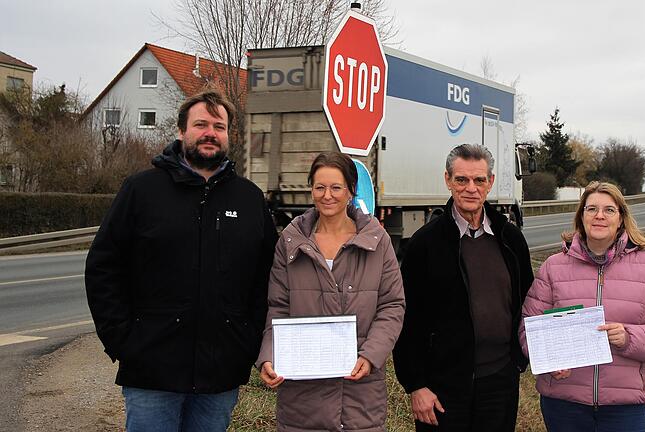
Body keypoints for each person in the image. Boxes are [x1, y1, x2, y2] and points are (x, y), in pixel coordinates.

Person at [85, 89, 278, 432]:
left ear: (229, 136)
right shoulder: (142, 191)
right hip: (151, 369)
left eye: (219, 126)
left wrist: (247, 341)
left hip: (220, 373)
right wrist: (122, 340)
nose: (210, 133)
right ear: (181, 131)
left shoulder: (249, 199)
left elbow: (267, 278)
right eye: (201, 124)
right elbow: (103, 267)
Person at [519, 181, 645, 432]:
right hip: (565, 405)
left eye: (609, 210)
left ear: (621, 219)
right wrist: (547, 360)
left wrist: (629, 336)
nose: (599, 216)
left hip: (627, 407)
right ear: (581, 217)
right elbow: (527, 327)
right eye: (591, 209)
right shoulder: (553, 267)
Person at [257, 151, 405, 432]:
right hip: (302, 401)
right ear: (311, 188)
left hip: (360, 394)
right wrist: (269, 355)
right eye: (320, 187)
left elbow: (392, 306)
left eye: (336, 187)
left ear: (351, 191)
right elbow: (278, 307)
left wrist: (371, 355)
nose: (327, 195)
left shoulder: (377, 241)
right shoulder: (290, 242)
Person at [393, 143, 534, 431]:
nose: (471, 188)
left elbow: (530, 303)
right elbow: (407, 319)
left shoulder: (510, 240)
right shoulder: (425, 244)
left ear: (490, 182)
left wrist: (521, 361)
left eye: (479, 180)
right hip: (443, 387)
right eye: (461, 180)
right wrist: (416, 385)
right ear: (448, 180)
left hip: (499, 380)